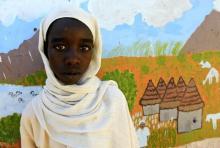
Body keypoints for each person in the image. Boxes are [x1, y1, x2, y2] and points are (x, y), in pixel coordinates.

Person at [20, 7, 138, 148]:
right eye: (60, 47)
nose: (73, 59)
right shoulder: (34, 114)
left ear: (94, 52)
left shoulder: (111, 101)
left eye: (84, 48)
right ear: (45, 51)